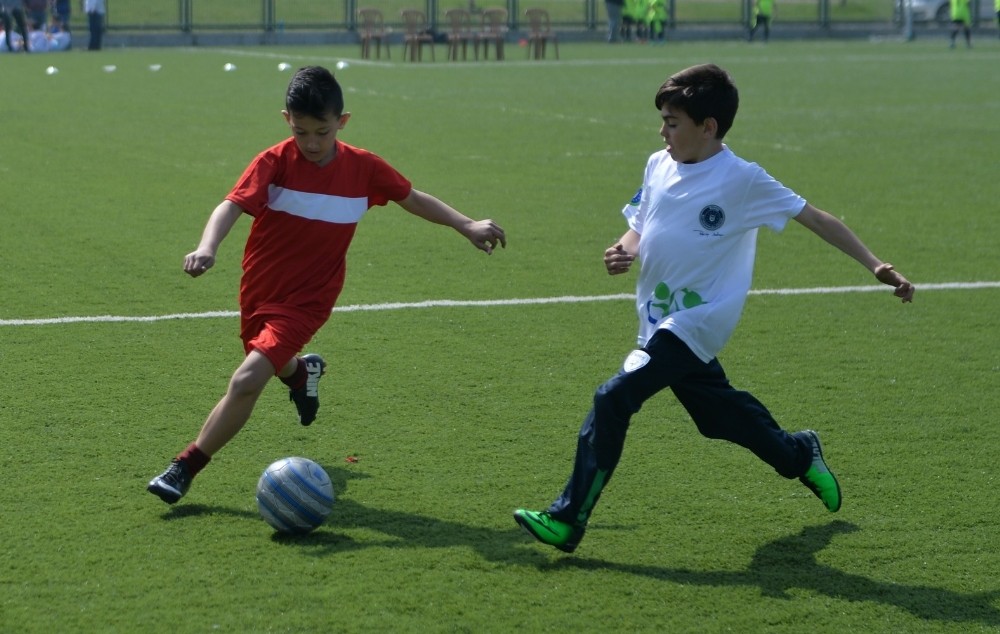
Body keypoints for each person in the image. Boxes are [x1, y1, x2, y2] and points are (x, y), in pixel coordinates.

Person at [513, 63, 914, 554]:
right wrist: (625, 248)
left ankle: (568, 518)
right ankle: (798, 453)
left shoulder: (742, 179)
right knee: (717, 417)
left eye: (673, 122)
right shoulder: (658, 164)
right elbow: (641, 222)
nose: (663, 132)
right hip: (657, 317)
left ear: (709, 127)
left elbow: (815, 217)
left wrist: (875, 265)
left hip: (699, 319)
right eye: (662, 120)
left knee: (613, 396)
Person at [147, 66, 507, 505]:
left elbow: (412, 198)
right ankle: (303, 373)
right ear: (287, 121)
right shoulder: (275, 161)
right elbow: (231, 205)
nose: (313, 143)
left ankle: (185, 467)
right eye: (302, 132)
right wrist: (208, 246)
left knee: (247, 380)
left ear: (343, 121)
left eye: (323, 131)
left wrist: (465, 224)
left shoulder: (364, 168)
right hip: (260, 289)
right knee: (269, 361)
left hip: (310, 298)